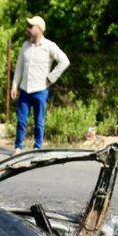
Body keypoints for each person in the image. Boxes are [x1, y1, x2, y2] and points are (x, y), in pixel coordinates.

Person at [11, 15, 69, 153]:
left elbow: (65, 61)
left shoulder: (49, 46)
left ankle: (37, 148)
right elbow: (19, 67)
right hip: (25, 89)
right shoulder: (25, 46)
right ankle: (18, 147)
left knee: (39, 121)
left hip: (40, 90)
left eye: (31, 26)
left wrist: (51, 78)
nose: (28, 29)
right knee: (21, 120)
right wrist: (14, 85)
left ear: (40, 29)